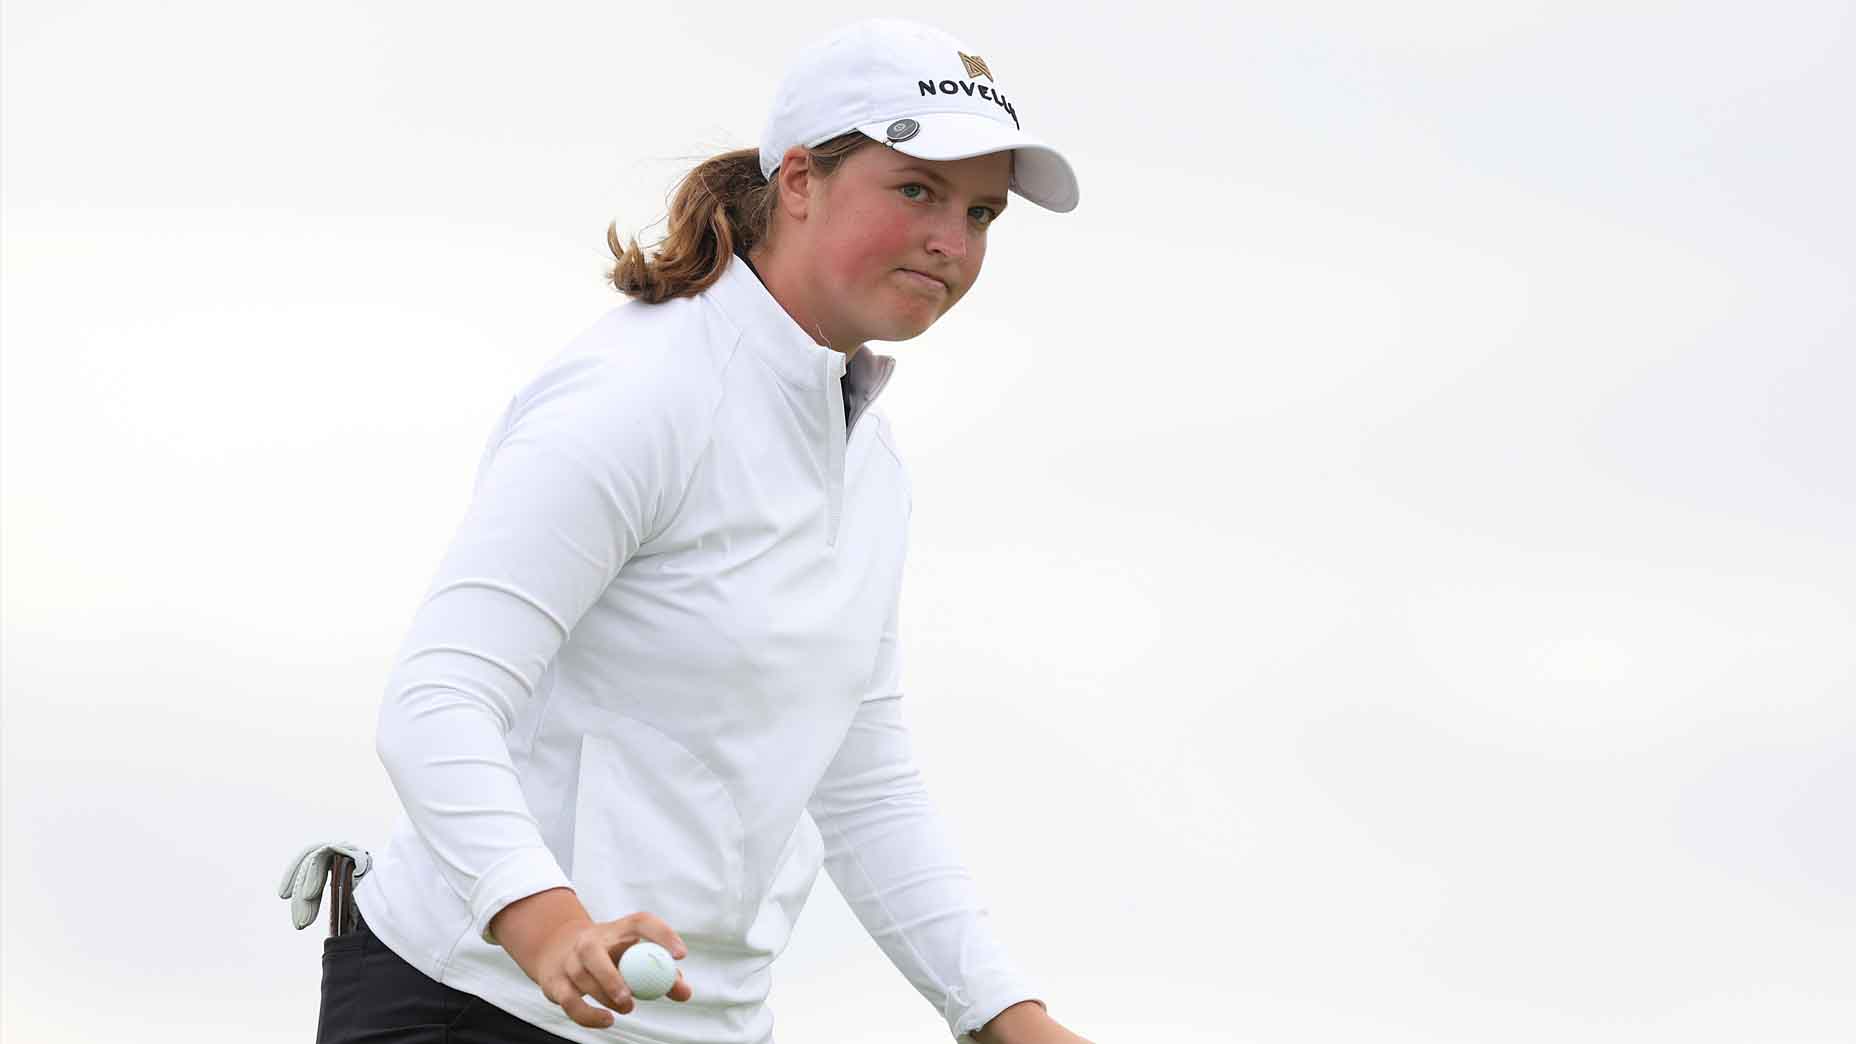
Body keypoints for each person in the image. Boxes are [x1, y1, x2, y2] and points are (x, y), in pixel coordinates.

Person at [320, 17, 1090, 1044]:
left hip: (696, 1026)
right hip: (474, 1007)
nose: (952, 241)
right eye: (915, 190)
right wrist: (545, 922)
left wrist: (1005, 1015)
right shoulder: (636, 393)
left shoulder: (864, 454)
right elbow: (436, 696)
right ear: (803, 179)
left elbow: (861, 782)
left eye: (981, 212)